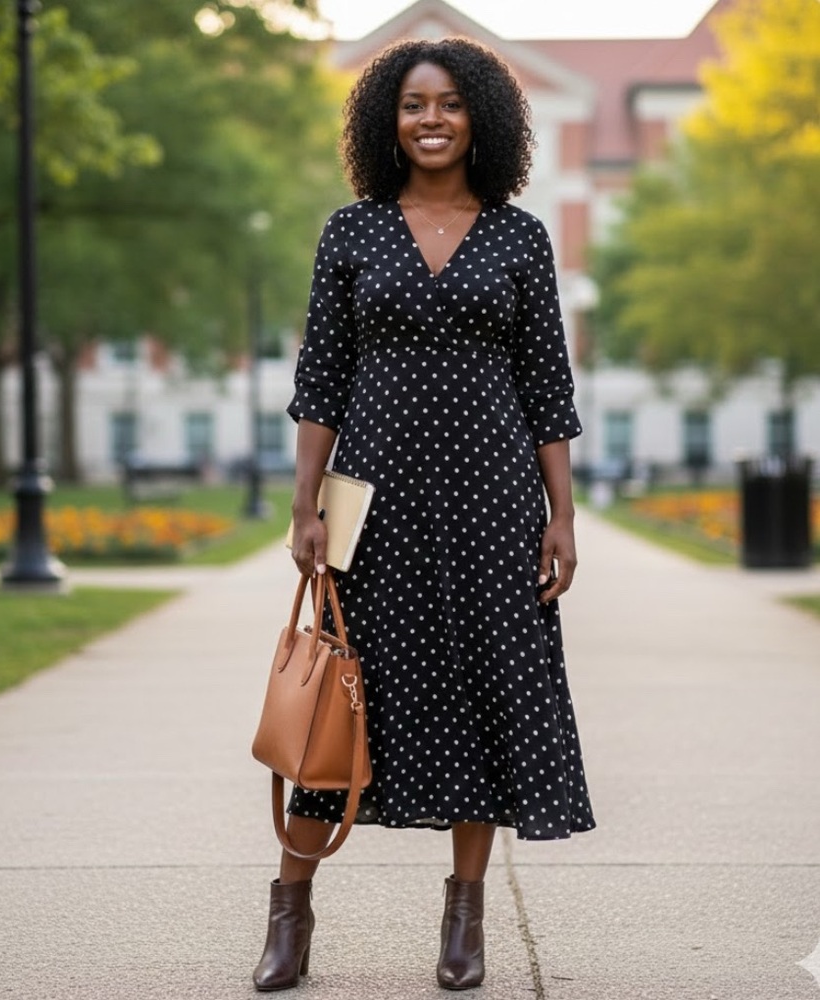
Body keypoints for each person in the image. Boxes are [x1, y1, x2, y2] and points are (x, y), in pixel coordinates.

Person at [253, 37, 596, 992]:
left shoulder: (520, 237)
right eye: (413, 104)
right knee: (338, 696)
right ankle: (289, 912)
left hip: (493, 501)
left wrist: (562, 517)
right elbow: (322, 377)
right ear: (387, 121)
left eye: (449, 103)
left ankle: (464, 916)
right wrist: (305, 503)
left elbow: (548, 388)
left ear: (481, 117)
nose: (431, 119)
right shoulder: (351, 233)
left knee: (484, 697)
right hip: (373, 502)